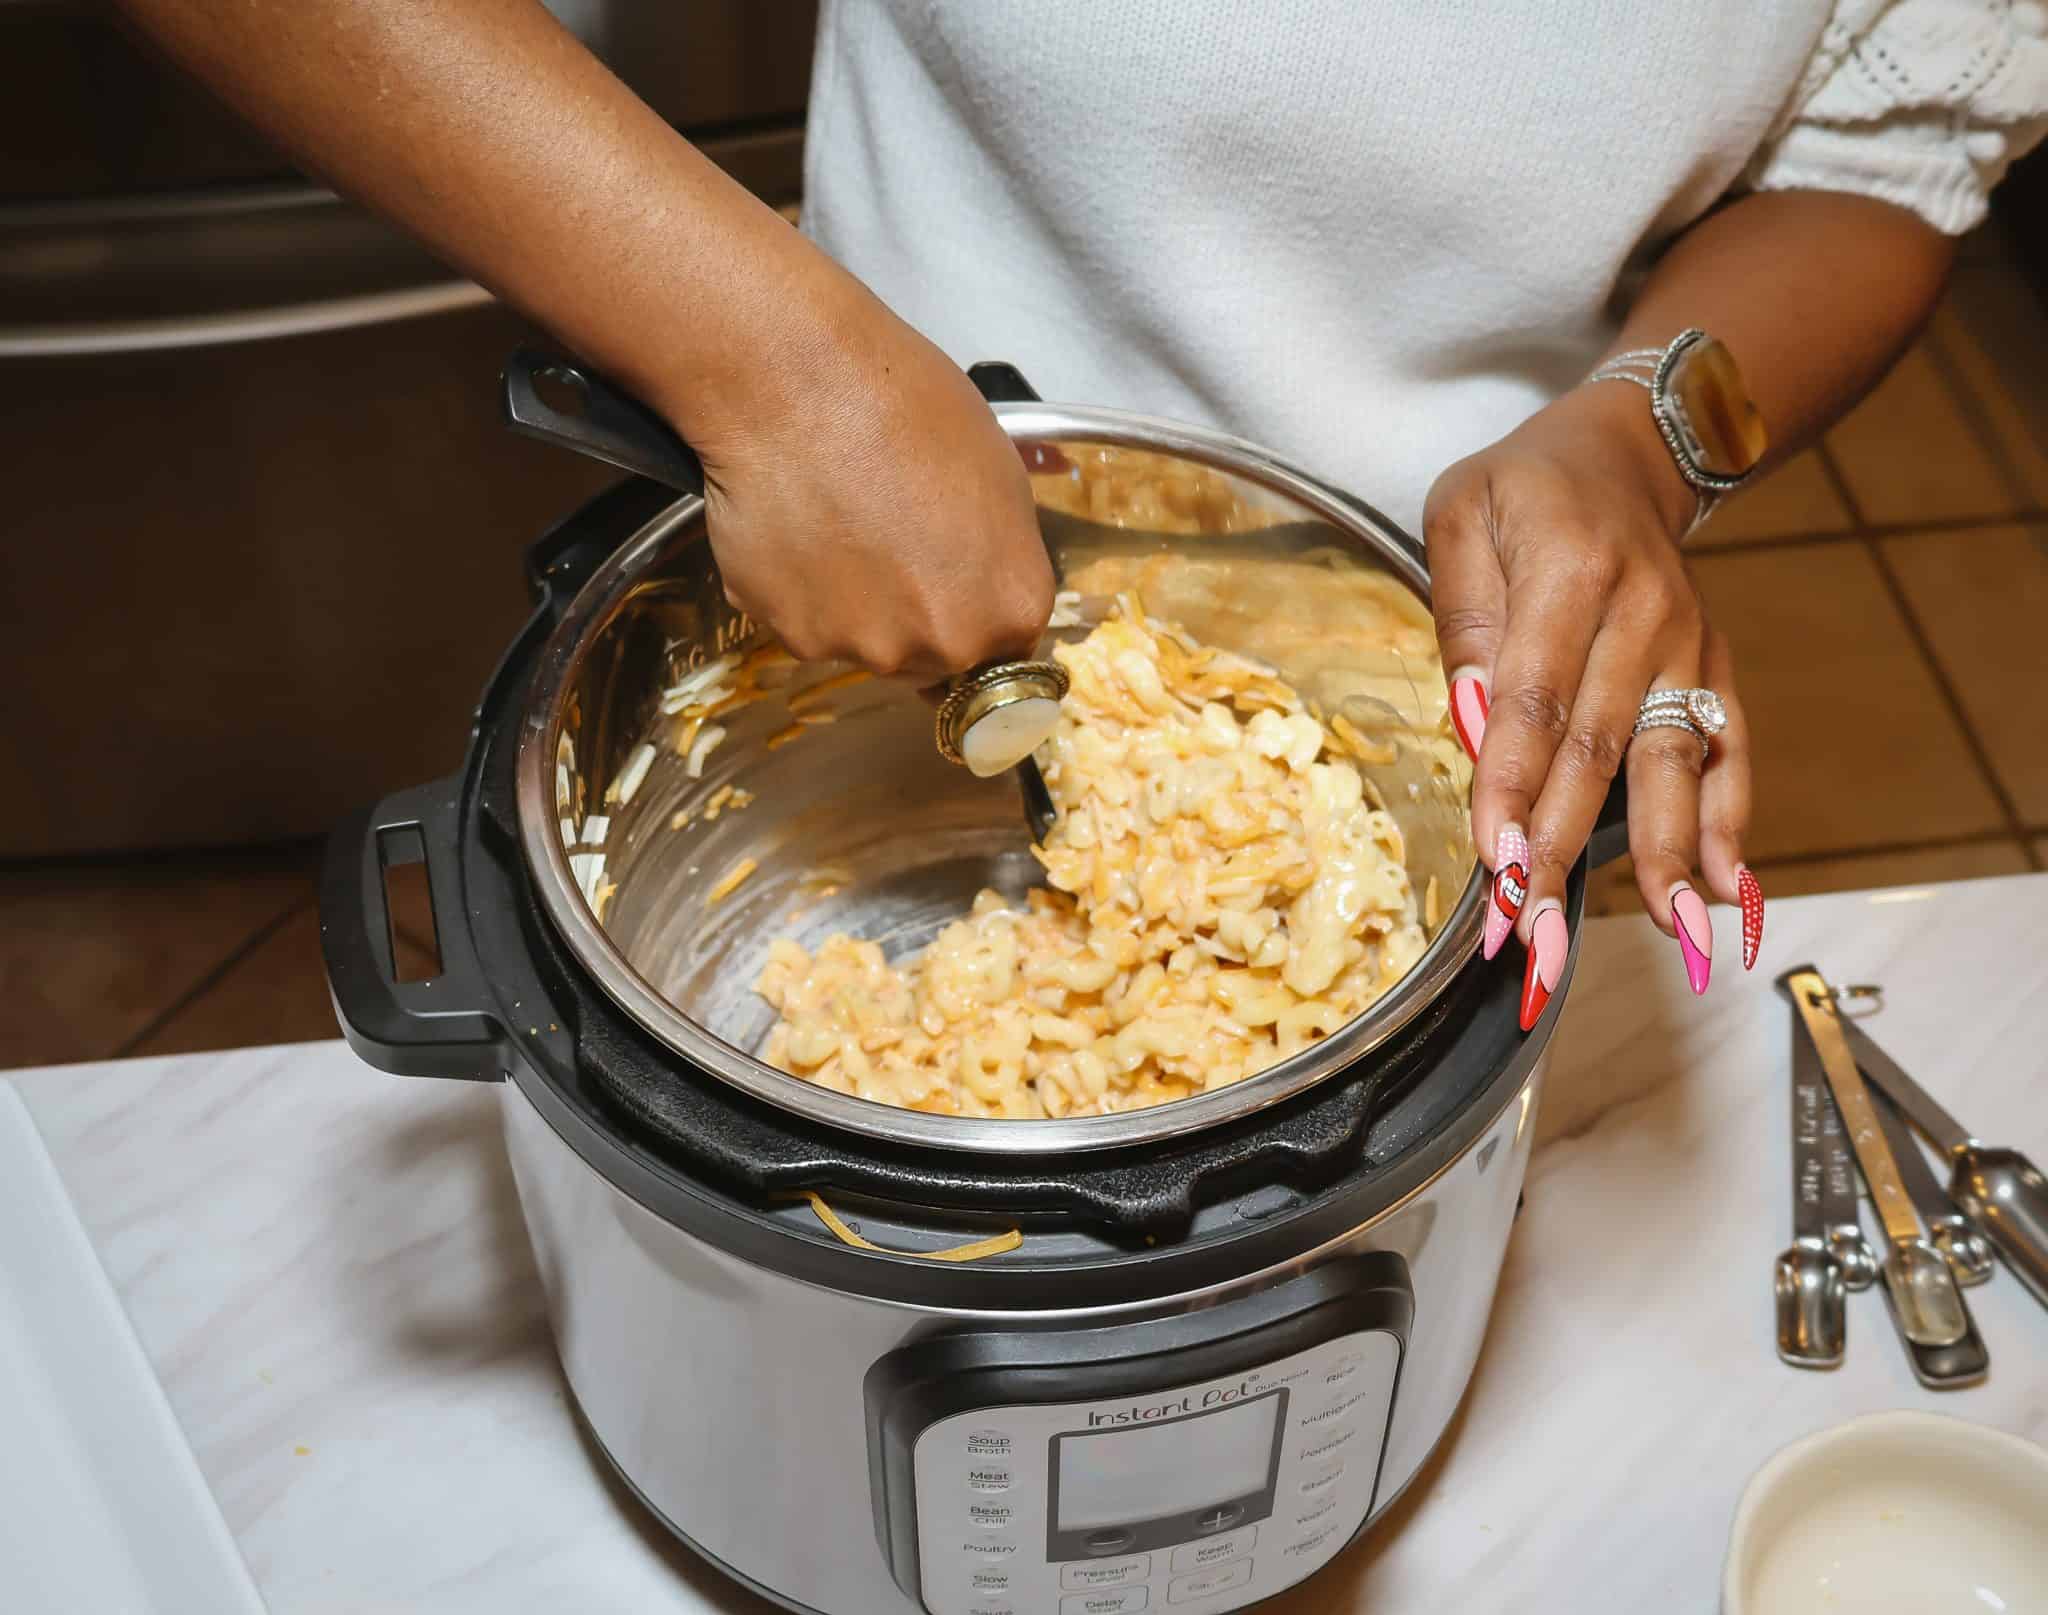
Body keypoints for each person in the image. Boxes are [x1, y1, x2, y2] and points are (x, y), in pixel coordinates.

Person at [120, 0, 2047, 1022]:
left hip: (1460, 681)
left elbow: (1893, 134)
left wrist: (1642, 439)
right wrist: (760, 359)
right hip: (858, 523)